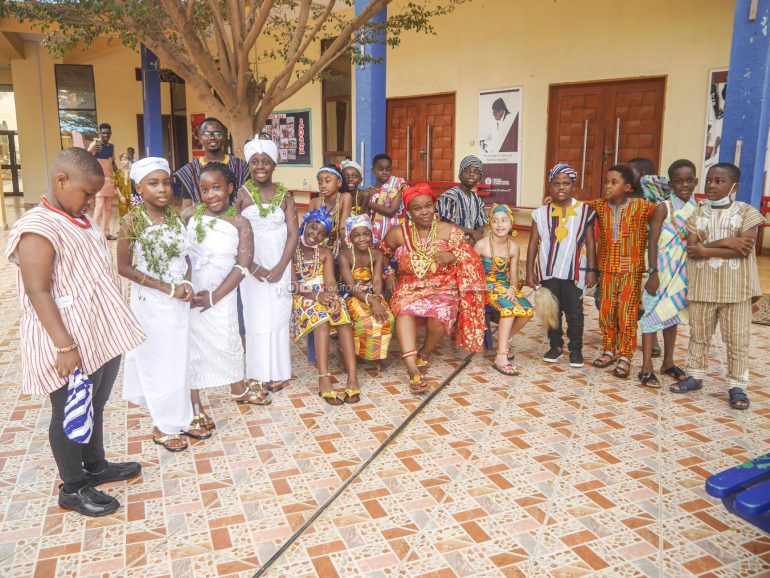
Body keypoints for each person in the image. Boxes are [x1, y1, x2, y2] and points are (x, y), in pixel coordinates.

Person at [6, 147, 145, 516]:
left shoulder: (77, 218)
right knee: (71, 409)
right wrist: (65, 346)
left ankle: (95, 466)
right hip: (67, 338)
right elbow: (38, 290)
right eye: (87, 193)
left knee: (94, 402)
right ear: (61, 180)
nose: (91, 202)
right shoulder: (38, 228)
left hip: (98, 331)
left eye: (95, 195)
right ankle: (72, 486)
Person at [117, 157, 208, 452]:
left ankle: (183, 417)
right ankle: (163, 424)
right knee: (159, 360)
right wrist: (166, 288)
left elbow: (186, 256)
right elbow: (123, 267)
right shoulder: (132, 221)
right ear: (138, 187)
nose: (162, 189)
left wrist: (187, 284)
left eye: (166, 183)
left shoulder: (174, 215)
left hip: (178, 301)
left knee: (180, 358)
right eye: (153, 183)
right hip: (152, 302)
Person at [381, 183, 486, 394]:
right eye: (417, 208)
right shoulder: (398, 233)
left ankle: (425, 353)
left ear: (434, 205)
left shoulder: (449, 230)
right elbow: (382, 253)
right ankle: (412, 368)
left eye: (428, 206)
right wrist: (389, 273)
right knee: (403, 311)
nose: (424, 212)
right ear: (409, 212)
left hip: (443, 286)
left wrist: (452, 255)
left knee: (440, 316)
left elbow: (471, 255)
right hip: (409, 286)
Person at [186, 163, 269, 422]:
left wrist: (214, 296)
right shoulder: (189, 215)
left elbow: (243, 264)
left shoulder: (240, 222)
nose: (211, 195)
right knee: (192, 347)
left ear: (230, 188)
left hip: (223, 293)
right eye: (205, 190)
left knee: (228, 340)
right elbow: (180, 254)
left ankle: (237, 388)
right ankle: (193, 403)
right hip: (192, 294)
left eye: (217, 188)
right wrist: (186, 287)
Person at [677, 163, 762, 410]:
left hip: (736, 289)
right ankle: (695, 376)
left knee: (737, 339)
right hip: (703, 287)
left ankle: (737, 385)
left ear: (734, 186)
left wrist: (707, 248)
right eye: (709, 181)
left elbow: (744, 248)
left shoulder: (746, 212)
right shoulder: (698, 213)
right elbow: (692, 249)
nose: (711, 186)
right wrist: (727, 242)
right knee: (698, 335)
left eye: (719, 181)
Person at [235, 137, 297, 393]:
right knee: (256, 317)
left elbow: (293, 234)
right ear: (248, 165)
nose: (260, 166)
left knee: (279, 315)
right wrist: (251, 267)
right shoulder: (241, 195)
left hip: (279, 265)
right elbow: (234, 234)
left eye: (266, 161)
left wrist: (282, 267)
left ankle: (279, 371)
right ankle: (258, 373)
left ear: (274, 165)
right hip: (252, 268)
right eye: (255, 161)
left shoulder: (286, 196)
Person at [526, 164, 597, 368]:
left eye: (566, 183)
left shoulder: (584, 211)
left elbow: (591, 242)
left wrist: (592, 271)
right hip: (548, 271)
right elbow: (533, 243)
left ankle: (575, 349)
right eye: (556, 184)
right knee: (552, 311)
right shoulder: (540, 213)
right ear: (550, 187)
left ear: (573, 186)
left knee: (575, 313)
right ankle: (555, 346)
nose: (561, 188)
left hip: (575, 271)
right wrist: (529, 271)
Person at [637, 160, 697, 388]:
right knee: (652, 314)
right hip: (661, 271)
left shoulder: (698, 207)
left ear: (696, 182)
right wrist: (652, 273)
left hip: (682, 272)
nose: (685, 185)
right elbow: (652, 241)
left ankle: (668, 362)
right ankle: (646, 367)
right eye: (679, 181)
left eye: (689, 180)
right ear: (671, 184)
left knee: (672, 314)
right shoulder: (664, 207)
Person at [590, 165, 654, 378]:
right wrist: (553, 201)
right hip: (607, 269)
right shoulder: (599, 206)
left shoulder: (641, 206)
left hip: (631, 271)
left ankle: (625, 355)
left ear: (627, 187)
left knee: (627, 314)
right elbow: (574, 207)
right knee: (607, 311)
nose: (607, 186)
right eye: (606, 182)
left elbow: (664, 209)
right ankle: (609, 350)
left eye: (613, 182)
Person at [292, 209, 360, 405]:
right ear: (305, 224)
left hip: (324, 293)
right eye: (313, 228)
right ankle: (324, 379)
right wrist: (317, 296)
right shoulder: (292, 249)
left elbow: (330, 281)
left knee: (343, 316)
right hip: (303, 296)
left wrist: (334, 297)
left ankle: (352, 377)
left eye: (322, 233)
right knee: (321, 319)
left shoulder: (325, 253)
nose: (316, 235)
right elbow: (293, 284)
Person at [475, 204, 533, 375]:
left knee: (527, 311)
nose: (500, 225)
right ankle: (501, 357)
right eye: (495, 221)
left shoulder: (513, 247)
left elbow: (513, 275)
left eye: (504, 220)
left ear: (511, 223)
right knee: (509, 309)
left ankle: (504, 342)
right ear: (490, 224)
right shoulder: (481, 245)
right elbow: (470, 272)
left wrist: (513, 289)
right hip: (484, 287)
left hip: (504, 287)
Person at [339, 214, 395, 366]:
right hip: (351, 294)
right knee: (364, 321)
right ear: (350, 238)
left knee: (387, 318)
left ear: (372, 234)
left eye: (366, 234)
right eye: (356, 235)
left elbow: (376, 279)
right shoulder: (345, 256)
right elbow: (351, 286)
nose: (362, 239)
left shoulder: (376, 254)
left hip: (372, 292)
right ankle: (354, 353)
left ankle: (376, 355)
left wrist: (377, 298)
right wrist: (372, 302)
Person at [175, 117, 249, 208]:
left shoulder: (241, 166)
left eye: (217, 133)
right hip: (202, 217)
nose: (212, 137)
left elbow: (249, 200)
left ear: (224, 137)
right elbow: (187, 207)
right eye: (206, 134)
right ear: (200, 138)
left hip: (236, 216)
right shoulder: (190, 171)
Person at [436, 155, 488, 244]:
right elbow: (445, 224)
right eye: (467, 171)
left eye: (476, 172)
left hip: (471, 242)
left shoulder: (477, 200)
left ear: (480, 178)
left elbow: (480, 226)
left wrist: (473, 239)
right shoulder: (450, 196)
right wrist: (472, 232)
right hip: (450, 242)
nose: (472, 174)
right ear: (460, 175)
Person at [308, 165, 352, 256]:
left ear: (339, 183)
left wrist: (346, 253)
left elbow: (343, 228)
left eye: (328, 181)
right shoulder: (314, 202)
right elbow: (309, 229)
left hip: (339, 247)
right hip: (318, 248)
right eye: (320, 183)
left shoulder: (345, 197)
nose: (323, 185)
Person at [367, 154, 407, 245]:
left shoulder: (398, 185)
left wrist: (367, 202)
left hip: (397, 234)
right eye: (380, 169)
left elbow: (391, 211)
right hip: (375, 235)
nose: (384, 172)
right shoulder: (368, 191)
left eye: (388, 169)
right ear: (373, 170)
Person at [88, 123, 117, 239]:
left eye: (107, 133)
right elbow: (87, 158)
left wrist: (119, 175)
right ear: (99, 133)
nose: (105, 135)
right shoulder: (95, 144)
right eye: (103, 133)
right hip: (99, 180)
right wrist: (91, 150)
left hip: (110, 180)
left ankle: (106, 233)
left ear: (111, 133)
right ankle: (95, 233)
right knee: (99, 208)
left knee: (108, 209)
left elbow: (113, 162)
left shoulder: (111, 147)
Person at [114, 152, 140, 219]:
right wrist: (120, 196)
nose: (122, 161)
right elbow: (116, 185)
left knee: (136, 215)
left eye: (125, 160)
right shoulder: (118, 172)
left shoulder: (133, 172)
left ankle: (134, 226)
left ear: (129, 161)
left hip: (133, 196)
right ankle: (123, 226)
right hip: (122, 196)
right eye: (121, 160)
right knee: (123, 216)